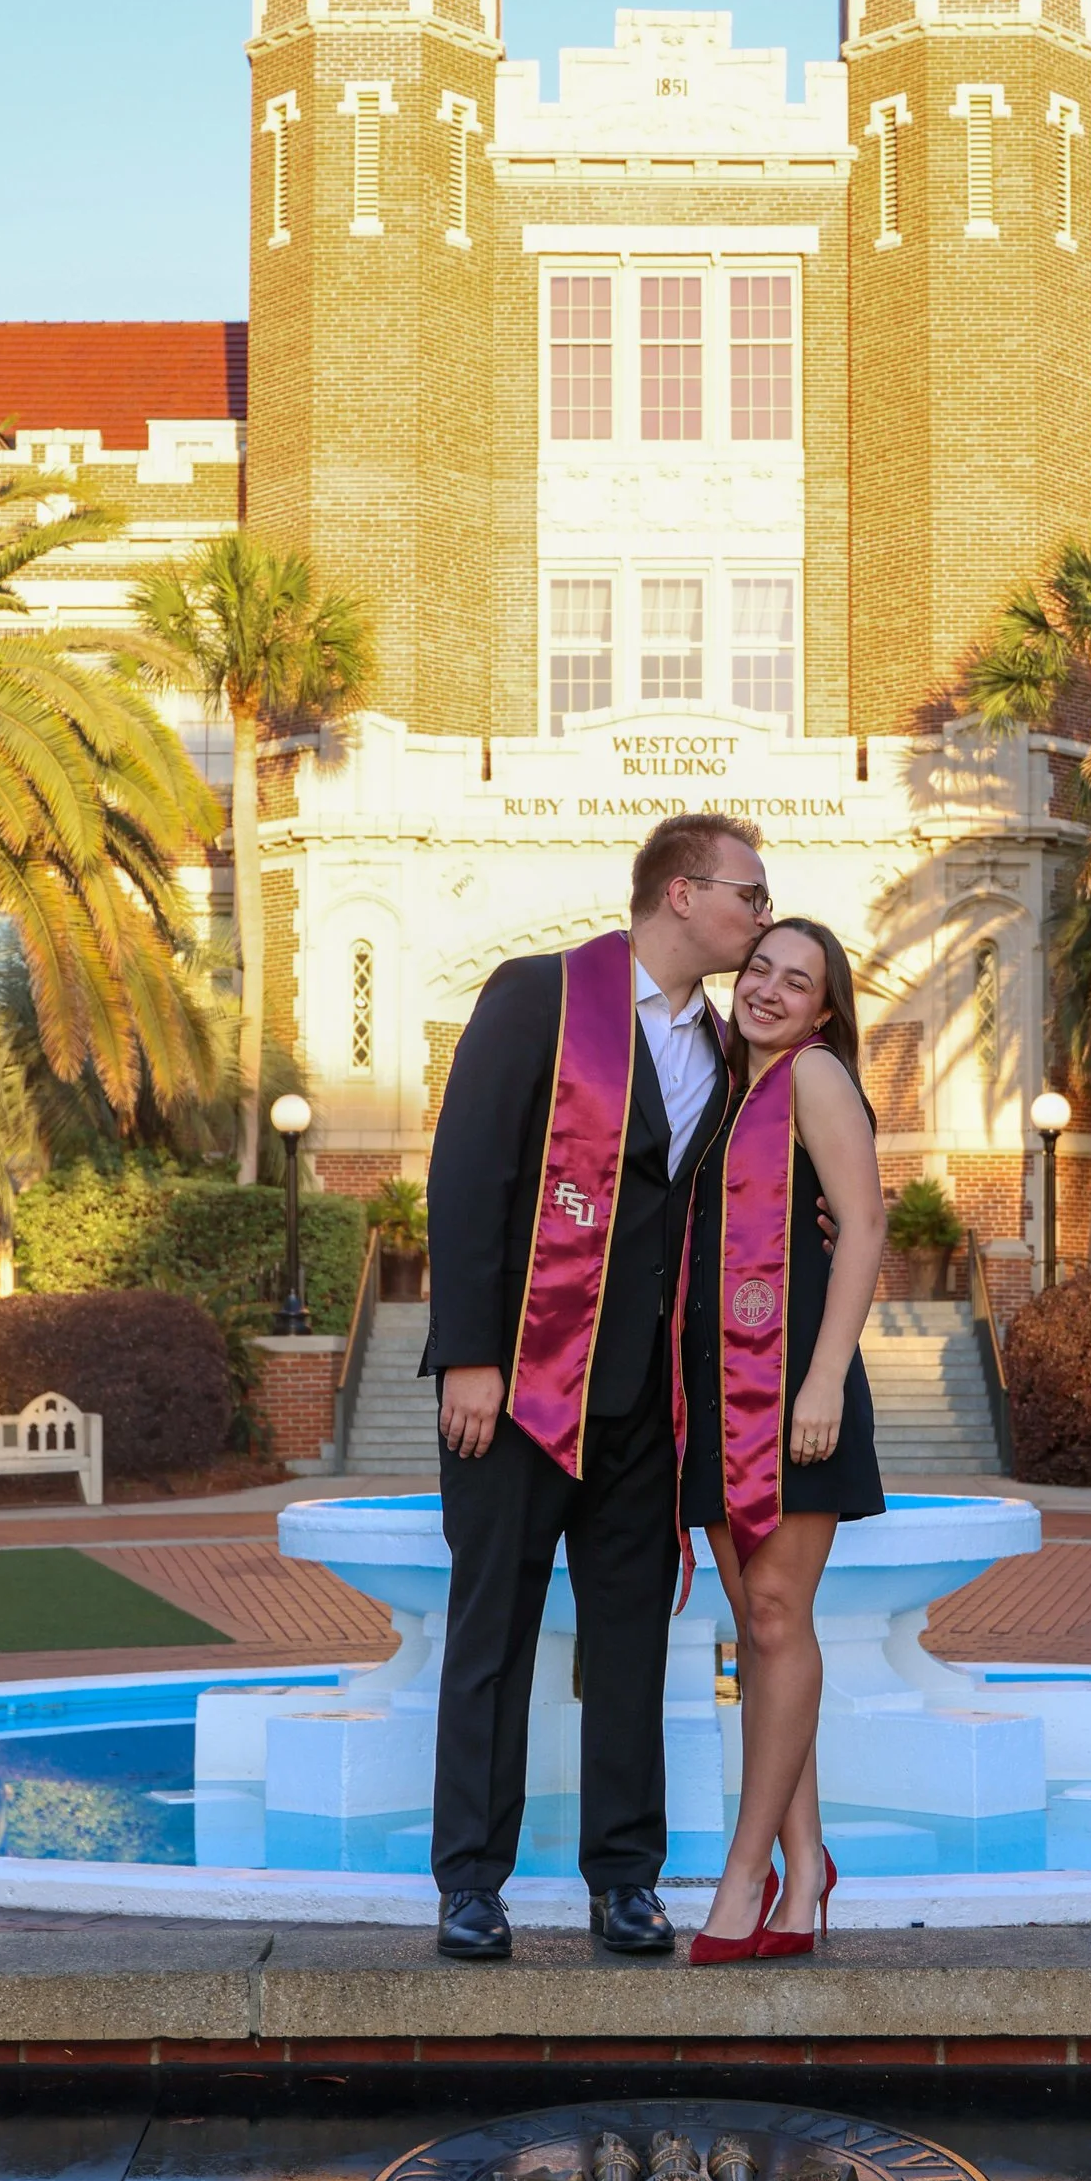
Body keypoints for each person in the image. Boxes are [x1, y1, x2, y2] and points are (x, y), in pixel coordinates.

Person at [422, 815, 770, 1961]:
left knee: (630, 1642)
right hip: (519, 1384)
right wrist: (470, 1351)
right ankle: (471, 1882)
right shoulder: (542, 997)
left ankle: (626, 1878)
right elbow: (469, 1173)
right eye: (747, 895)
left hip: (642, 1402)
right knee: (494, 1633)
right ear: (681, 893)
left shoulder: (722, 1049)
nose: (758, 917)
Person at [679, 917, 888, 1960]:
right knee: (754, 1629)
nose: (767, 988)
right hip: (715, 1388)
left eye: (795, 980)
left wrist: (822, 1381)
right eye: (758, 966)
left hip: (792, 1380)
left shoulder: (814, 1080)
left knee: (774, 1613)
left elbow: (862, 1224)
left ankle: (741, 1874)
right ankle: (806, 1866)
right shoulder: (721, 1091)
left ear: (822, 1008)